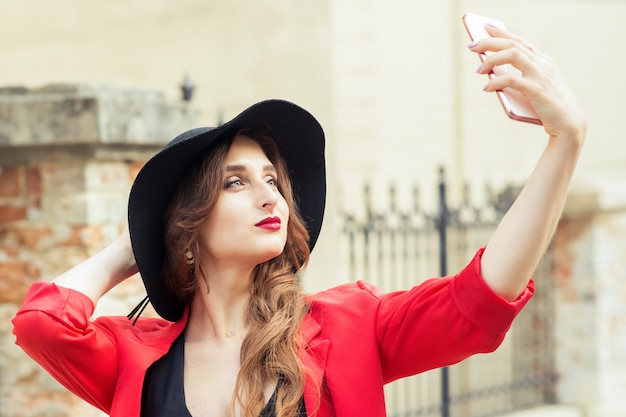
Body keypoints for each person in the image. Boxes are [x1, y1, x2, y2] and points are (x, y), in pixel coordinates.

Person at [11, 22, 586, 417]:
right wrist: (130, 249)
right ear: (186, 224)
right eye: (236, 181)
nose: (272, 198)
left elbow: (478, 301)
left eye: (273, 181)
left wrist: (564, 143)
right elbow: (41, 324)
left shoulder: (349, 328)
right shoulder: (136, 355)